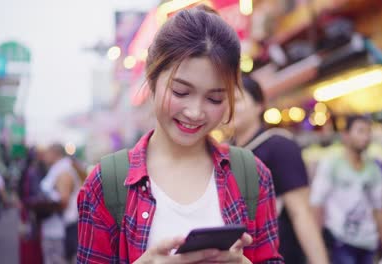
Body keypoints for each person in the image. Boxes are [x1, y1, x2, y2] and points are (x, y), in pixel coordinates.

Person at [77, 5, 282, 264]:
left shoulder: (253, 175)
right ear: (152, 78)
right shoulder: (105, 184)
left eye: (214, 98)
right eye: (181, 92)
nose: (195, 112)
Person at [232, 75, 329, 264]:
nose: (230, 106)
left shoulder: (279, 145)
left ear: (259, 105)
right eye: (224, 100)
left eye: (237, 100)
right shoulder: (225, 152)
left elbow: (301, 213)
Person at [310, 115, 382, 264]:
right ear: (345, 135)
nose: (366, 137)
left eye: (368, 132)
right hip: (340, 242)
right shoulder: (331, 165)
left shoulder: (375, 170)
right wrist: (316, 247)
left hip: (368, 243)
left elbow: (379, 210)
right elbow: (316, 204)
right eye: (360, 131)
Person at [31, 143, 81, 264]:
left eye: (47, 153)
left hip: (60, 231)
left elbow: (64, 201)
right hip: (54, 229)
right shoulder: (58, 169)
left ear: (55, 153)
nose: (45, 156)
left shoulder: (63, 172)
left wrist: (41, 205)